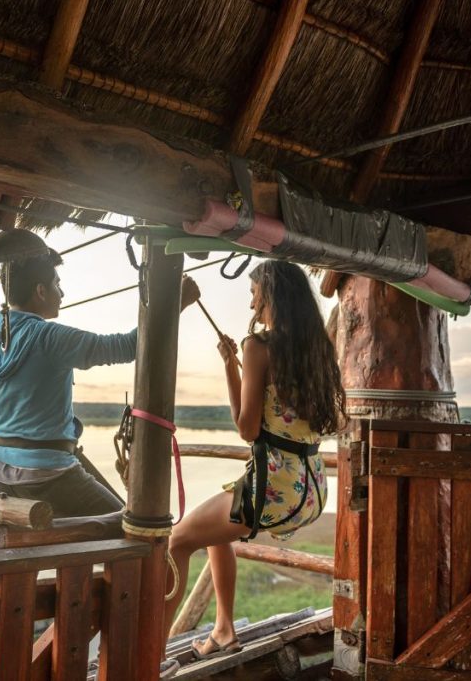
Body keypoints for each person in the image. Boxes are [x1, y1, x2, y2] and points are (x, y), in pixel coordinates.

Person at [163, 259, 346, 660]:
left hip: (275, 490)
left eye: (254, 295)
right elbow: (264, 420)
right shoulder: (314, 348)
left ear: (272, 295)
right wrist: (232, 367)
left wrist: (239, 362)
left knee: (176, 540)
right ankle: (224, 629)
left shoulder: (259, 346)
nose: (251, 307)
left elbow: (246, 430)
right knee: (216, 530)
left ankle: (149, 650)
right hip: (310, 490)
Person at [0, 230, 200, 518]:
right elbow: (129, 346)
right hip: (51, 475)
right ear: (40, 291)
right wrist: (175, 303)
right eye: (57, 285)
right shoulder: (49, 337)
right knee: (131, 531)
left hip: (3, 476)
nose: (62, 293)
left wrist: (6, 391)